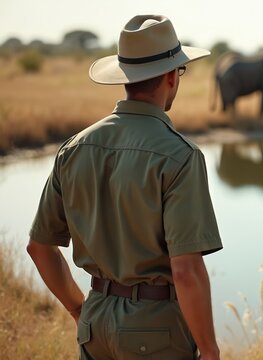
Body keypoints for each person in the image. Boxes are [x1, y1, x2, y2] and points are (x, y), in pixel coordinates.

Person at [26, 15, 223, 360]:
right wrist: (209, 350)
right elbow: (186, 271)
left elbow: (38, 248)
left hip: (95, 322)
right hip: (158, 330)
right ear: (170, 76)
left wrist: (79, 310)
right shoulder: (180, 155)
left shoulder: (74, 148)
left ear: (126, 78)